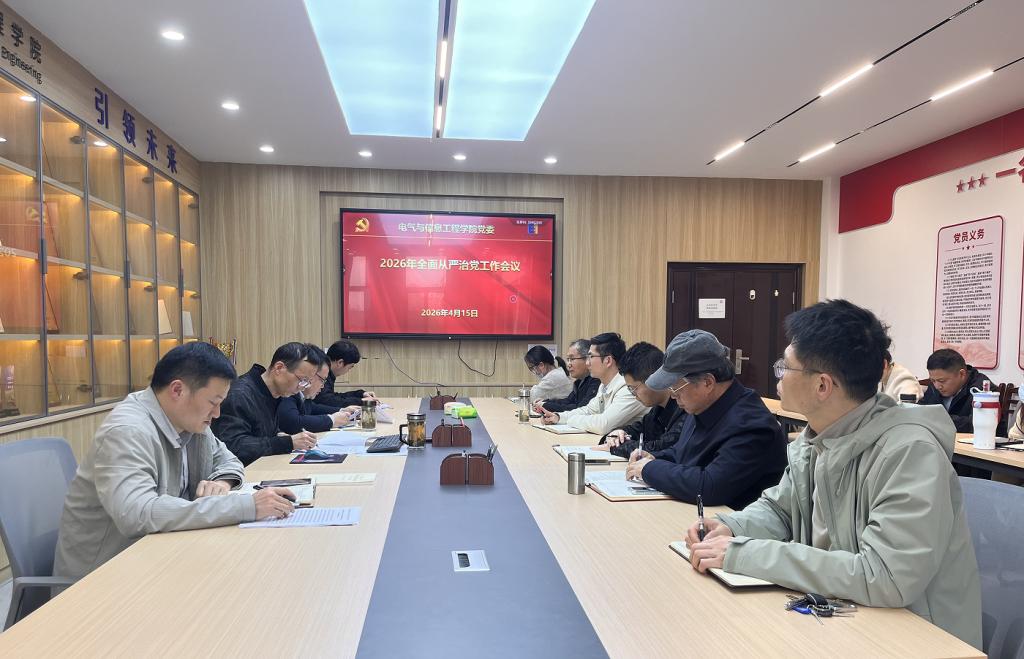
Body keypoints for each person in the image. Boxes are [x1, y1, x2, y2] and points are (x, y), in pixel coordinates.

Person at [685, 300, 981, 649]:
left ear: (822, 386)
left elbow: (884, 576)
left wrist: (748, 554)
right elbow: (781, 510)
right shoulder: (817, 437)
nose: (778, 376)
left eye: (785, 367)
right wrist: (733, 527)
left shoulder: (910, 452)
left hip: (915, 638)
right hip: (841, 618)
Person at [54, 342, 297, 579]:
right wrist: (245, 507)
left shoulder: (190, 423)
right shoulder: (128, 432)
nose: (217, 414)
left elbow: (229, 460)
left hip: (159, 557)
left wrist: (222, 482)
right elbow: (137, 513)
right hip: (103, 580)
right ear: (178, 390)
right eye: (213, 403)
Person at [625, 330, 786, 508]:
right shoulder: (701, 406)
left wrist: (650, 469)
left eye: (675, 388)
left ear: (707, 382)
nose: (673, 396)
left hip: (731, 520)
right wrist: (654, 457)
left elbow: (711, 487)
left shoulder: (751, 425)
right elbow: (682, 453)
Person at [211, 342, 321, 465]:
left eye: (307, 382)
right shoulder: (239, 394)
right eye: (302, 380)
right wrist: (288, 442)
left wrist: (280, 435)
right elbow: (233, 447)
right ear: (279, 368)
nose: (303, 387)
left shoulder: (271, 393)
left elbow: (261, 433)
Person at [541, 333, 647, 435]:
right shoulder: (604, 385)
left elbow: (603, 424)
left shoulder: (629, 387)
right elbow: (588, 410)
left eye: (590, 357)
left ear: (608, 360)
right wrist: (559, 417)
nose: (587, 363)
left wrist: (571, 419)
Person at [595, 342, 686, 459]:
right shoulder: (657, 409)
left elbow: (661, 448)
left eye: (633, 388)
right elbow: (636, 430)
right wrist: (616, 435)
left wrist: (616, 447)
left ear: (654, 379)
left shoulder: (684, 407)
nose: (634, 395)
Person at [277, 345, 359, 434]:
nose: (322, 386)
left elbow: (312, 407)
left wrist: (341, 411)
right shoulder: (288, 390)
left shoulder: (302, 395)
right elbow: (292, 422)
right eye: (322, 380)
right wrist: (332, 420)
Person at [919, 348, 996, 433]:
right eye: (933, 380)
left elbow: (975, 425)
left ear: (962, 374)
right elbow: (922, 412)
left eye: (942, 381)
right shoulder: (936, 384)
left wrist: (937, 419)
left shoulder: (983, 390)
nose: (937, 386)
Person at [534, 339, 600, 413]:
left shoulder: (596, 381)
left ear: (587, 359)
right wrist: (546, 402)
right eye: (568, 359)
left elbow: (580, 408)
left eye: (572, 359)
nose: (568, 364)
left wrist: (546, 405)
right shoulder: (579, 381)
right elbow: (568, 401)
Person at [313, 339, 374, 409]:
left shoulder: (329, 373)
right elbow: (328, 401)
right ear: (340, 362)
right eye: (350, 367)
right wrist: (361, 401)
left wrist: (360, 394)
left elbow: (332, 397)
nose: (348, 371)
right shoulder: (321, 373)